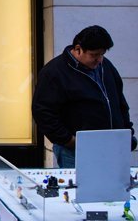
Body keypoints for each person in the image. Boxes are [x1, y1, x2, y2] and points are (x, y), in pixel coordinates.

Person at [32, 25, 136, 168]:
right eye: (94, 55)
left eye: (102, 54)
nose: (99, 59)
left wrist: (127, 133)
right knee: (80, 189)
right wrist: (69, 140)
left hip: (112, 147)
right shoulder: (54, 72)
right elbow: (42, 112)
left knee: (112, 188)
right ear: (78, 49)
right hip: (75, 151)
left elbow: (120, 103)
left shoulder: (106, 66)